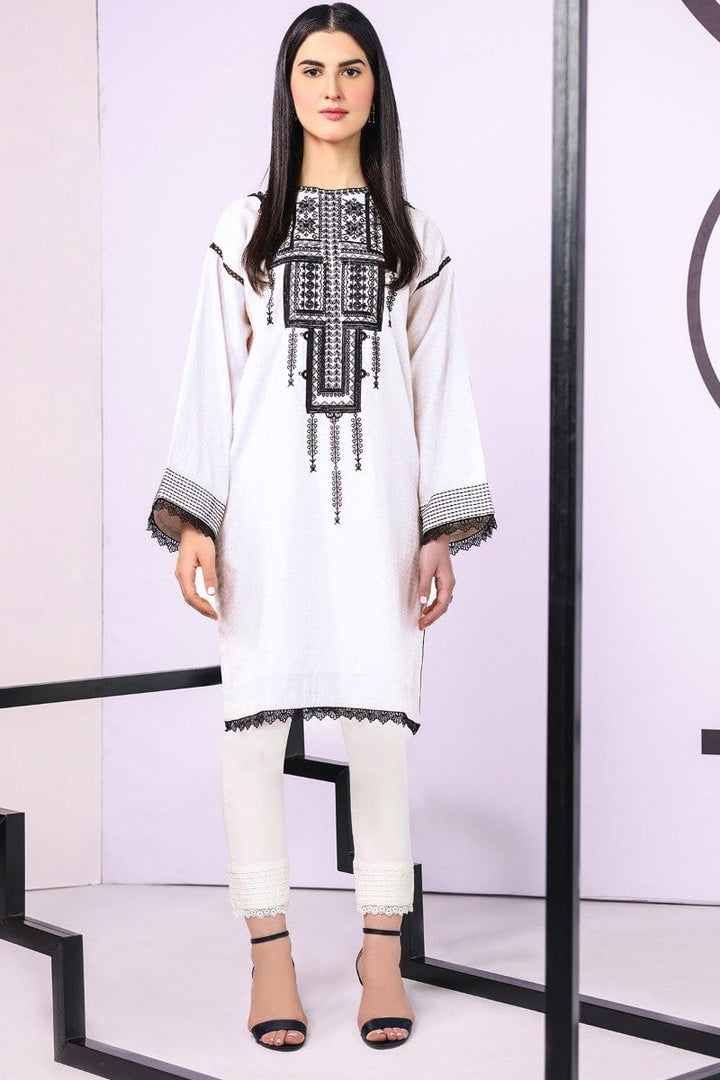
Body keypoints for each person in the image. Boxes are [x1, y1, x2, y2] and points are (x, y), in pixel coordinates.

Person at [146, 1, 497, 1052]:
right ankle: (270, 955)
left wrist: (437, 529)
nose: (332, 88)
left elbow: (440, 388)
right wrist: (198, 520)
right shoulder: (245, 227)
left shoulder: (413, 236)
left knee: (381, 737)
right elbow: (211, 380)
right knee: (253, 733)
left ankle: (381, 949)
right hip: (264, 522)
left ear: (376, 88)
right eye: (312, 68)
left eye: (351, 68)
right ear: (287, 86)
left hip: (378, 522)